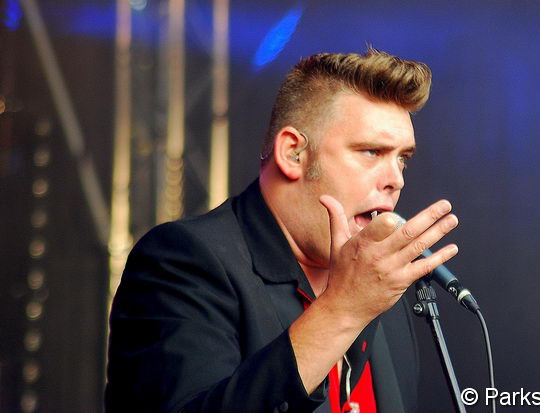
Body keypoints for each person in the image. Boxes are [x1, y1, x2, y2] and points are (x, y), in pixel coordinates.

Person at [105, 48, 460, 412]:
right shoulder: (183, 259)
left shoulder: (378, 286)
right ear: (293, 153)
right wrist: (342, 311)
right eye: (371, 152)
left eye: (402, 158)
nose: (396, 179)